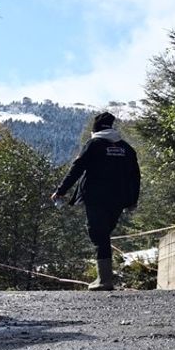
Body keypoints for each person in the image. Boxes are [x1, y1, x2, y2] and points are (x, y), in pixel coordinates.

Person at [52, 111, 141, 291]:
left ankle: (104, 280)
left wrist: (61, 191)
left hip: (96, 197)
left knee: (98, 234)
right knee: (104, 234)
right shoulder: (126, 148)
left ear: (96, 130)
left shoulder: (93, 144)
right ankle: (104, 277)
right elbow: (135, 176)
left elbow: (76, 169)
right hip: (119, 199)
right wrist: (132, 200)